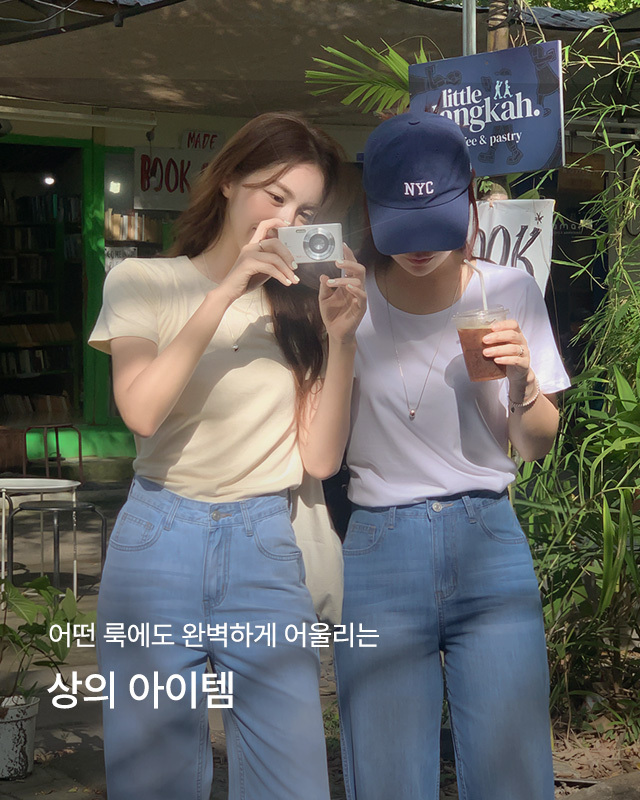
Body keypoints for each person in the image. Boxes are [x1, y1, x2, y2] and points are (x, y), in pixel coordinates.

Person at [88, 112, 366, 800]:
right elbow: (141, 410)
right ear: (228, 182)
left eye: (304, 211)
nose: (284, 220)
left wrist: (341, 339)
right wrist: (225, 291)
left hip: (264, 545)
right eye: (275, 196)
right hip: (157, 542)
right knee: (152, 781)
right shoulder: (144, 281)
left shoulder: (303, 310)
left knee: (291, 782)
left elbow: (321, 459)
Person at [334, 111, 571, 800]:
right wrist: (336, 339)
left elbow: (534, 444)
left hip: (487, 538)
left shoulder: (507, 291)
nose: (418, 247)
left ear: (467, 197)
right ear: (371, 208)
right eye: (400, 224)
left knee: (512, 773)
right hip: (379, 546)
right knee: (385, 774)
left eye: (435, 221)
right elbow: (322, 445)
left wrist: (524, 381)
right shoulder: (347, 304)